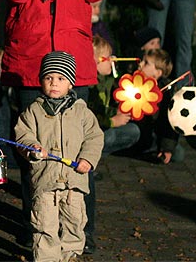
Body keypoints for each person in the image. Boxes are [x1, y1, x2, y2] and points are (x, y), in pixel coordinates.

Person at [0, 0, 115, 246]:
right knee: (36, 157)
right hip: (32, 61)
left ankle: (81, 232)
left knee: (79, 152)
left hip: (72, 56)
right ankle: (39, 231)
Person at [14, 51, 104, 262]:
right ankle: (47, 259)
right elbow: (22, 135)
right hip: (45, 181)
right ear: (41, 81)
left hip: (74, 182)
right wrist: (32, 147)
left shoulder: (82, 112)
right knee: (45, 225)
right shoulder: (33, 111)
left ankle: (70, 256)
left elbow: (94, 137)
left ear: (70, 84)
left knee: (74, 223)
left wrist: (88, 159)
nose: (54, 83)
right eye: (48, 78)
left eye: (61, 79)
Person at [84, 35, 141, 253]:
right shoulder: (90, 85)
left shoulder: (106, 78)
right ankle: (92, 159)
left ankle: (94, 161)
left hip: (105, 125)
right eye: (109, 58)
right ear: (97, 61)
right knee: (106, 137)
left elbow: (117, 84)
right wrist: (112, 120)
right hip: (97, 130)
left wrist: (113, 68)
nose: (113, 61)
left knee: (133, 131)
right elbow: (92, 115)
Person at [135, 49, 183, 164]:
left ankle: (155, 151)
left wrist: (167, 147)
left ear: (157, 73)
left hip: (155, 134)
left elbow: (169, 121)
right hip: (137, 130)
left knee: (179, 153)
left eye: (146, 63)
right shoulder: (133, 81)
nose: (140, 64)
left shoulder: (166, 92)